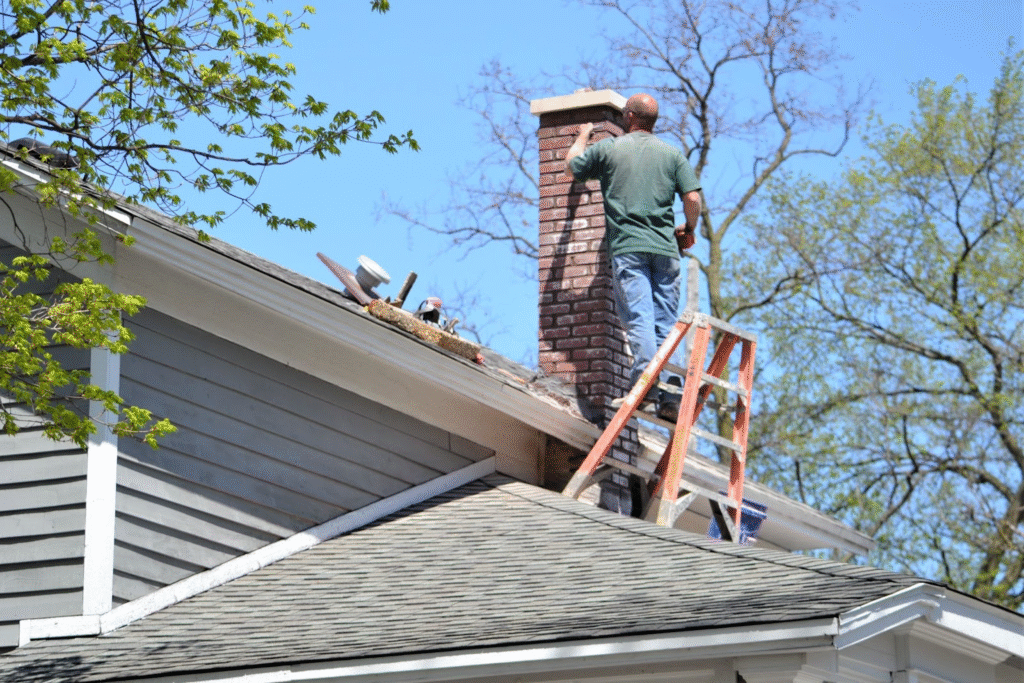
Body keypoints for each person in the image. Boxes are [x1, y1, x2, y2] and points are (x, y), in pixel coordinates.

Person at [565, 93, 702, 421]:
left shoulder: (611, 148)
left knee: (640, 318)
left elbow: (572, 168)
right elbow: (693, 198)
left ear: (628, 116)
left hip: (629, 248)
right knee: (667, 321)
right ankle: (670, 393)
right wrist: (689, 229)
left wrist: (583, 135)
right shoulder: (671, 154)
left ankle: (644, 387)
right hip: (667, 250)